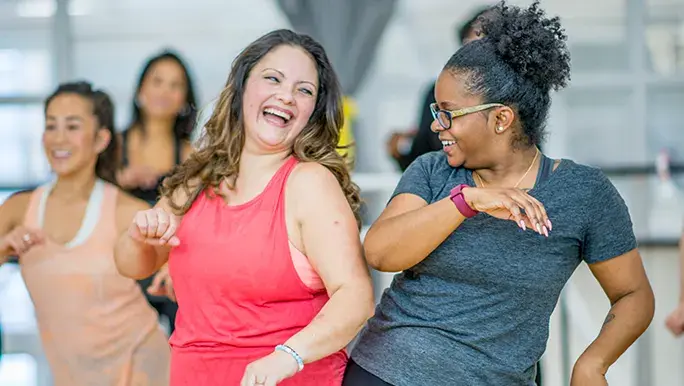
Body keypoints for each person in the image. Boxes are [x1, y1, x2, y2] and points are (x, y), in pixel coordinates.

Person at [345, 2, 655, 385]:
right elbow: (380, 252)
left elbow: (633, 295)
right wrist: (466, 202)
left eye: (448, 113)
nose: (436, 125)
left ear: (500, 118)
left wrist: (593, 363)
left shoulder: (584, 194)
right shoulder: (431, 171)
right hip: (387, 371)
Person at [114, 29, 375, 386]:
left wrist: (288, 356)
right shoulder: (199, 177)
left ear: (312, 111)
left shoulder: (309, 182)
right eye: (273, 79)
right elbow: (132, 264)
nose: (287, 95)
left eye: (304, 90)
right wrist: (138, 233)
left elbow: (356, 297)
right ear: (241, 87)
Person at [0, 82, 170, 385]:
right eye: (51, 125)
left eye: (72, 126)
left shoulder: (124, 210)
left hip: (144, 367)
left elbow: (175, 262)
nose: (58, 138)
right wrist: (4, 247)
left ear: (101, 139)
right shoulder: (19, 209)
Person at [118, 50, 199, 333]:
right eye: (158, 81)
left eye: (175, 85)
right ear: (141, 89)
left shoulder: (191, 154)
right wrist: (120, 179)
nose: (165, 91)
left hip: (171, 266)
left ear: (185, 99)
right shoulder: (113, 147)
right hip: (121, 264)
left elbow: (197, 218)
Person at [387, 5, 494, 171]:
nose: (437, 126)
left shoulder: (518, 96)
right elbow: (421, 154)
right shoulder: (436, 91)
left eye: (482, 46)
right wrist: (399, 152)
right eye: (467, 45)